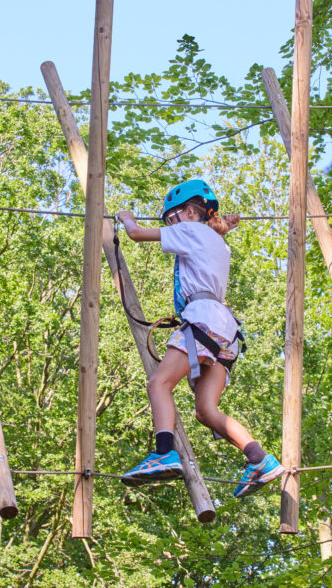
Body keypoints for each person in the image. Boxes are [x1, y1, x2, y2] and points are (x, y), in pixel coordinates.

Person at [116, 179, 284, 498]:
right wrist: (221, 228)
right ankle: (259, 459)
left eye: (172, 218)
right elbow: (210, 239)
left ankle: (164, 453)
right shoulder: (218, 243)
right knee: (206, 410)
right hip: (226, 331)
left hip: (203, 319)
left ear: (191, 212)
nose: (171, 226)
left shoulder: (191, 230)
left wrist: (126, 218)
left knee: (159, 384)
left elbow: (136, 234)